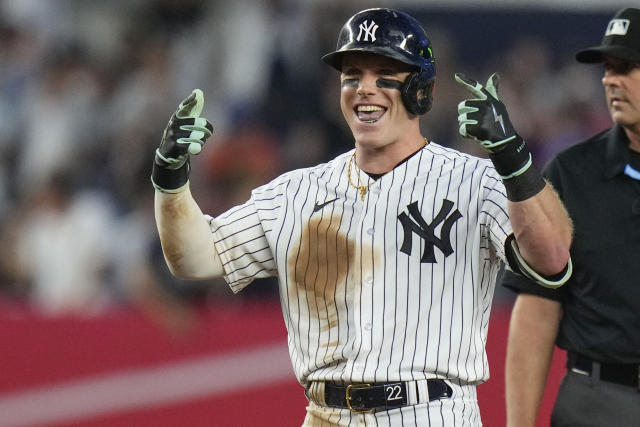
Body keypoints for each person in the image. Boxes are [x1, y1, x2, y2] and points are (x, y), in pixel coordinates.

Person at [152, 8, 572, 426]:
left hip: (432, 411)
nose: (364, 90)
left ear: (421, 91)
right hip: (325, 414)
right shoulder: (297, 191)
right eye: (352, 76)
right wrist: (170, 181)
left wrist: (514, 161)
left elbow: (551, 258)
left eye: (384, 76)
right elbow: (194, 258)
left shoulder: (476, 181)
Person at [502, 7, 640, 427]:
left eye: (627, 67)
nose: (608, 79)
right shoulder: (570, 173)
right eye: (607, 68)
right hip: (597, 400)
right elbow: (537, 309)